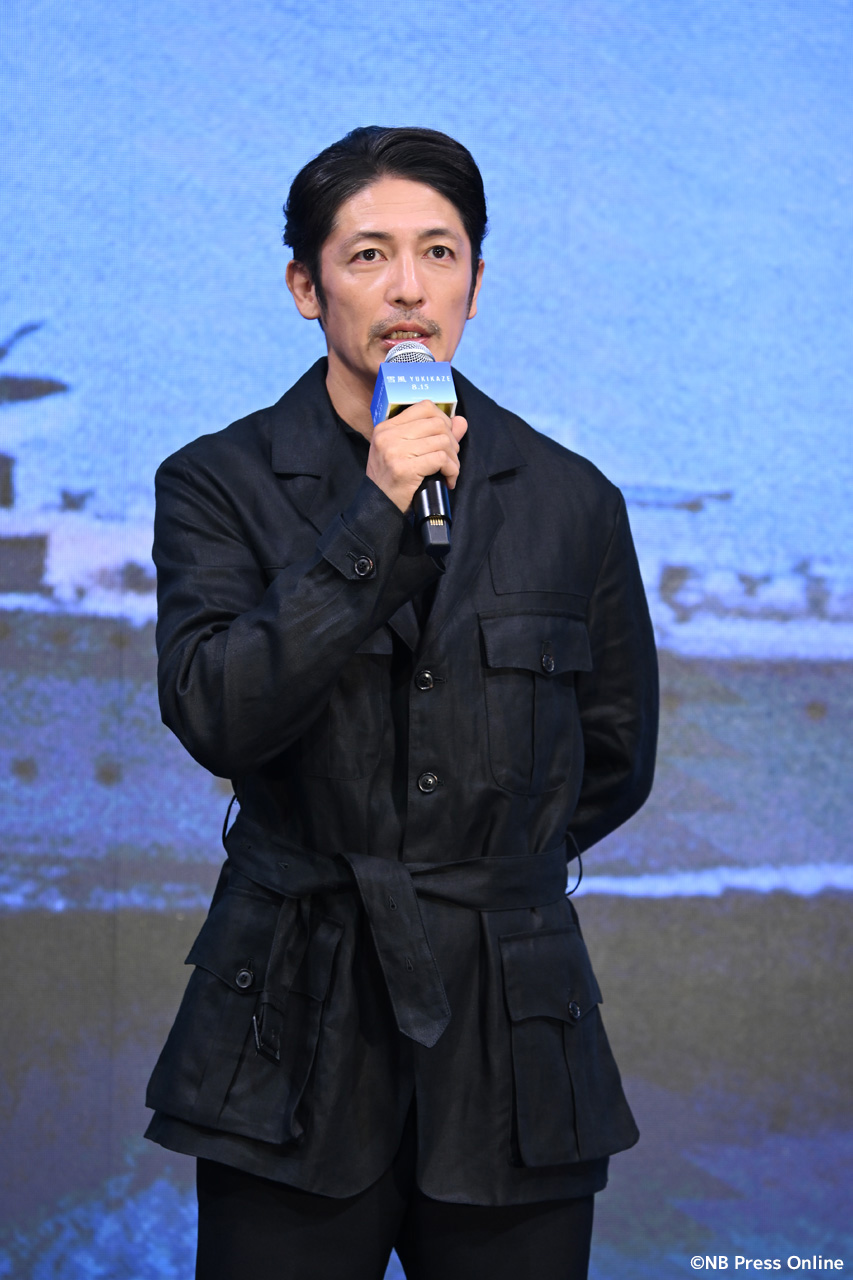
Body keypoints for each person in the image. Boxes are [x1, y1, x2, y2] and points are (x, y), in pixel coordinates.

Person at [144, 126, 658, 1280]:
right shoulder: (218, 483)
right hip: (288, 1014)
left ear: (476, 280)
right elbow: (214, 709)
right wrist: (376, 514)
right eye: (368, 254)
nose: (409, 287)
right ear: (305, 285)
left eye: (439, 251)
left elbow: (614, 755)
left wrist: (466, 863)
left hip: (513, 1030)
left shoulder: (571, 497)